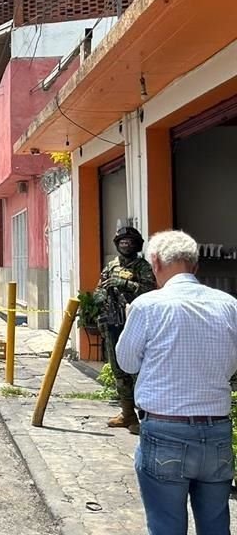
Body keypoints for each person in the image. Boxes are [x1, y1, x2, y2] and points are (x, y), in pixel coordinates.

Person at [116, 230, 237, 535]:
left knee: (166, 526)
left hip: (165, 430)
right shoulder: (229, 305)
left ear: (155, 262)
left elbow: (127, 363)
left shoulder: (147, 306)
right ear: (195, 266)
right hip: (217, 430)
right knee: (216, 525)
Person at [94, 226, 156, 434]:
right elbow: (98, 289)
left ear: (136, 245)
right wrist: (100, 297)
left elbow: (150, 290)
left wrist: (126, 284)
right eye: (122, 242)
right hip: (113, 323)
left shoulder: (143, 267)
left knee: (139, 371)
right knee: (118, 370)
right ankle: (127, 412)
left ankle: (144, 416)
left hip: (136, 322)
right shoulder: (111, 266)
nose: (125, 244)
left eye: (129, 242)